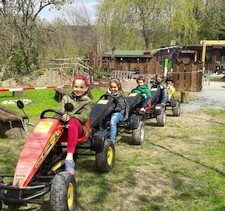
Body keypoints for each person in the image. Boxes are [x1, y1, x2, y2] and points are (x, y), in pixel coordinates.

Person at [56, 75, 93, 174]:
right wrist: (62, 116)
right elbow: (58, 112)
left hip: (79, 128)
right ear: (73, 87)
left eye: (81, 87)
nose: (78, 89)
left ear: (86, 88)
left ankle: (69, 159)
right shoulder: (66, 98)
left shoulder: (87, 101)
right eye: (76, 86)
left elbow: (84, 117)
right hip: (64, 127)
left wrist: (70, 116)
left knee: (72, 121)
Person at [104, 78, 126, 143]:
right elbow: (106, 102)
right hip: (109, 112)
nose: (113, 89)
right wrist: (108, 93)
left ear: (118, 87)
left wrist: (111, 110)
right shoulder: (108, 94)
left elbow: (120, 107)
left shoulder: (120, 96)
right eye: (111, 87)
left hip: (118, 113)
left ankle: (112, 140)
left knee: (112, 121)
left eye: (114, 87)